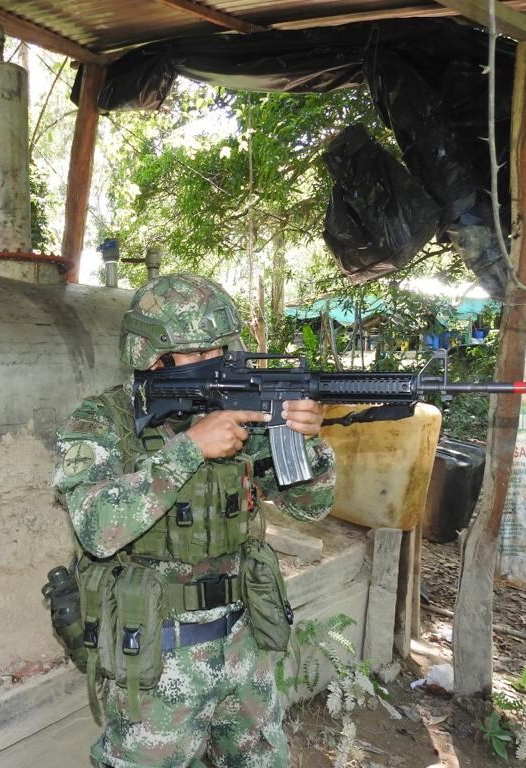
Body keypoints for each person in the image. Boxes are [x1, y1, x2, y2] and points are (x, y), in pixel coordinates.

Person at [52, 273, 336, 768]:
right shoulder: (102, 421)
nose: (214, 362)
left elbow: (309, 507)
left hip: (246, 647)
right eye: (195, 353)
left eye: (219, 349)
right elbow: (96, 529)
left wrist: (302, 440)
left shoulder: (241, 409)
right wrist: (189, 450)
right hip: (157, 661)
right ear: (152, 358)